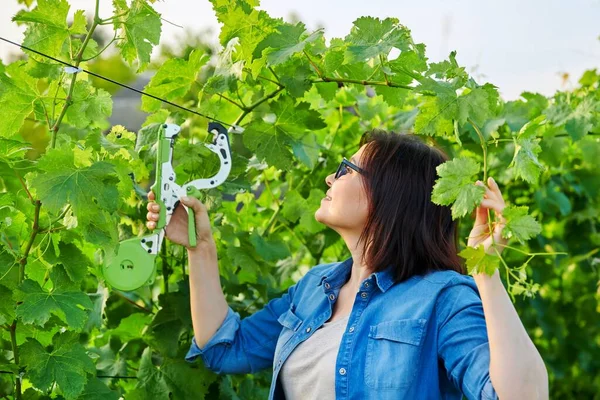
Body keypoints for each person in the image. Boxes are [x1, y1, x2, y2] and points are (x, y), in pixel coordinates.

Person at [146, 129, 548, 400]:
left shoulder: (442, 297)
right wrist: (201, 248)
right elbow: (226, 348)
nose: (328, 179)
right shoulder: (315, 287)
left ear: (390, 194)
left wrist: (486, 273)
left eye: (345, 169)